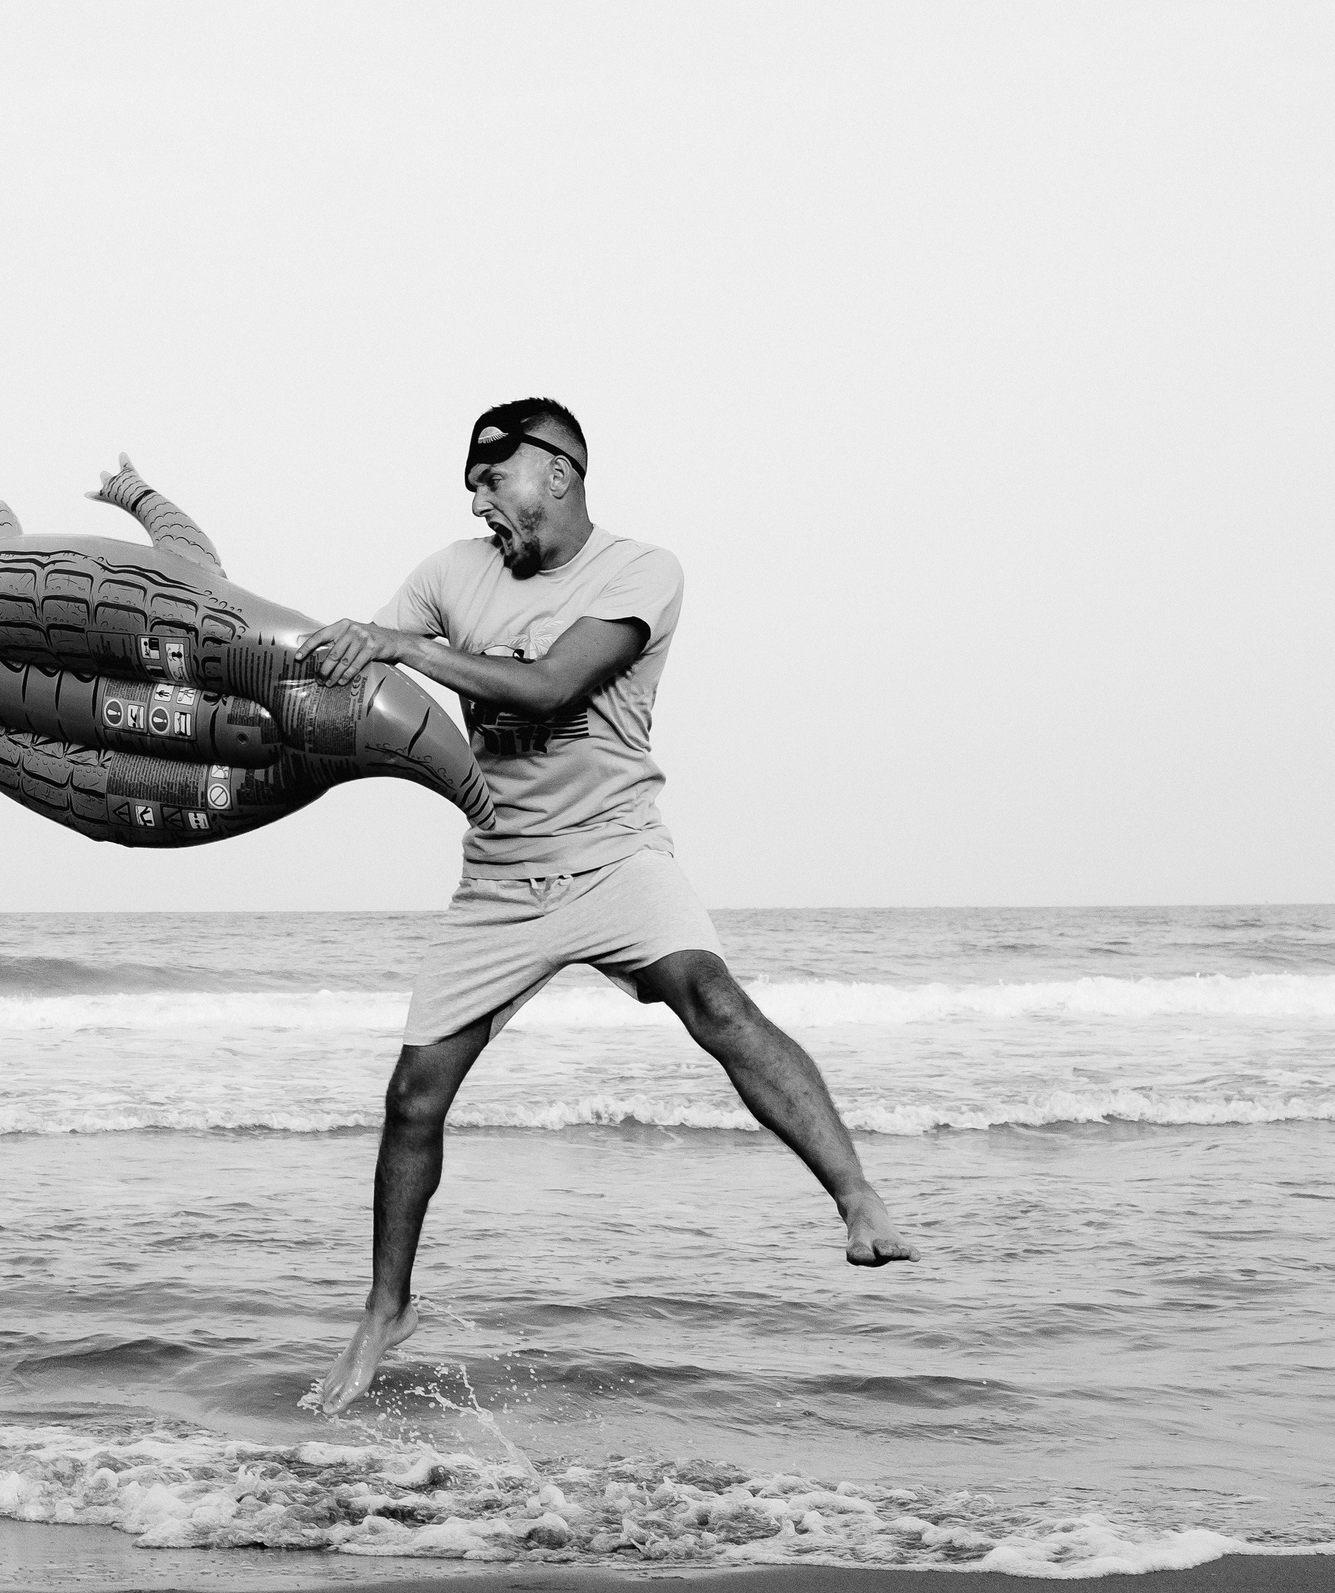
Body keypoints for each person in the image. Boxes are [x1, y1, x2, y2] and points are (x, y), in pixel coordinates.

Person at [298, 398, 917, 1418]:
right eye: (471, 486)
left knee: (710, 997)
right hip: (501, 873)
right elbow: (363, 686)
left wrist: (395, 647)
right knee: (413, 1097)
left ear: (556, 469)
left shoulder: (643, 570)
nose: (478, 500)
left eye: (491, 479)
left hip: (615, 853)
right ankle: (384, 1311)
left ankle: (856, 1197)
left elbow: (548, 687)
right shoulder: (448, 573)